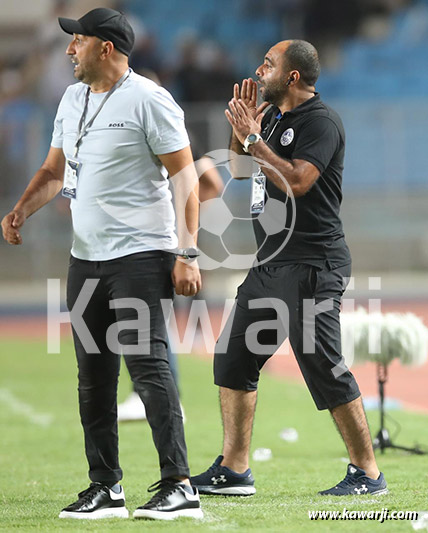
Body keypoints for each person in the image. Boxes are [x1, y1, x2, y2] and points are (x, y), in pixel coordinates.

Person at [1, 7, 203, 521]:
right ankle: (105, 488)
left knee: (150, 367)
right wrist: (22, 208)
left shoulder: (150, 99)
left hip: (139, 254)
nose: (69, 50)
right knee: (92, 376)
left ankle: (179, 485)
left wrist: (186, 252)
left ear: (105, 48)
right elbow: (54, 169)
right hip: (85, 258)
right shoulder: (71, 99)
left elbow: (185, 180)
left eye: (78, 42)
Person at [190, 40, 388, 497]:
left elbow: (298, 180)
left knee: (323, 365)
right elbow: (241, 168)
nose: (258, 71)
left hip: (314, 262)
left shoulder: (322, 122)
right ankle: (234, 469)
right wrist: (242, 130)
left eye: (268, 65)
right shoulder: (274, 116)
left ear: (292, 76)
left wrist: (255, 138)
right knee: (233, 358)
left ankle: (369, 473)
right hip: (271, 264)